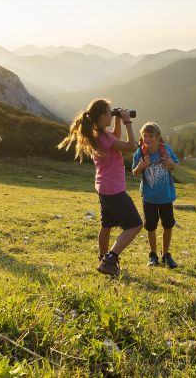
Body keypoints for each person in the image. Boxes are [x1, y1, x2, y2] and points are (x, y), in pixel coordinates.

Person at [58, 99, 142, 277]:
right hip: (113, 189)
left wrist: (118, 120)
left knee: (107, 225)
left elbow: (115, 138)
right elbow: (131, 147)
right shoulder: (102, 137)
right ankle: (110, 259)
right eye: (110, 113)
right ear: (103, 116)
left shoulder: (99, 133)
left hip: (104, 187)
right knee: (135, 225)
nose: (112, 115)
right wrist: (127, 121)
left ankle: (103, 257)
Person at [132, 122, 180, 268]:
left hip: (166, 197)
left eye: (151, 136)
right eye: (144, 136)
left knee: (168, 225)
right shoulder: (139, 153)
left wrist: (170, 164)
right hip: (149, 198)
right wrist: (141, 166)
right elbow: (134, 173)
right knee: (151, 227)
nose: (147, 139)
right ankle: (153, 255)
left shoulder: (166, 150)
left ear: (158, 137)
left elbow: (176, 166)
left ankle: (166, 254)